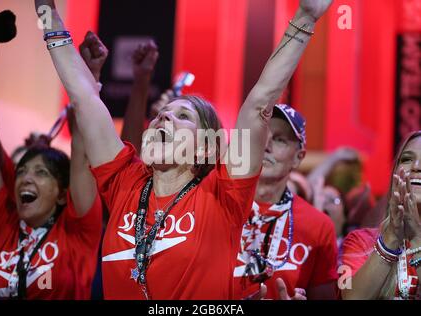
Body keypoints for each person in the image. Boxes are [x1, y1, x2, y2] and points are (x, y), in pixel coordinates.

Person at [34, 0, 332, 299]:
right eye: (163, 113)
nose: (165, 116)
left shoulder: (225, 193)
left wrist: (305, 18)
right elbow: (84, 97)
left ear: (207, 147)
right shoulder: (125, 180)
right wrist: (46, 10)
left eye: (184, 116)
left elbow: (258, 105)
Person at [0, 35, 102, 299]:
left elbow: (82, 153)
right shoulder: (0, 223)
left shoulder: (79, 231)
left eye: (41, 172)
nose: (26, 177)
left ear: (64, 194)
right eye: (21, 171)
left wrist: (89, 75)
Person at [233, 104, 338, 300]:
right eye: (260, 135)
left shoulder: (319, 227)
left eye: (280, 139)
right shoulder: (218, 204)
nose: (266, 146)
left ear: (298, 158)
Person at [340, 131, 421, 300]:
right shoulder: (359, 242)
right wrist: (391, 238)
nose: (416, 166)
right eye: (406, 159)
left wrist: (416, 239)